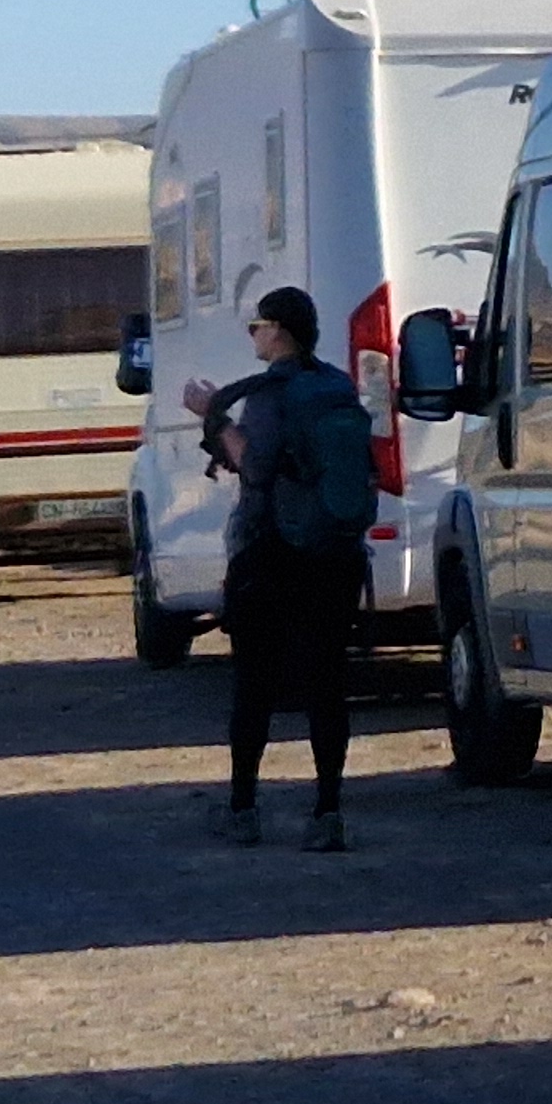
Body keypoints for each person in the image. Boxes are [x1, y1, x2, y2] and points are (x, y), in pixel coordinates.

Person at [180, 287, 374, 852]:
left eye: (256, 326)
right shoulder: (337, 387)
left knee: (255, 684)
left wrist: (213, 416)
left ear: (279, 330)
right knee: (326, 684)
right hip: (335, 553)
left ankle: (243, 808)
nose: (253, 335)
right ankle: (328, 812)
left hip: (270, 554)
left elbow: (256, 465)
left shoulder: (269, 394)